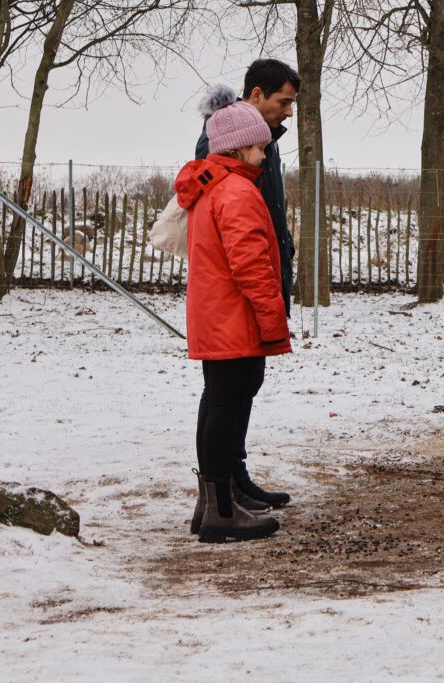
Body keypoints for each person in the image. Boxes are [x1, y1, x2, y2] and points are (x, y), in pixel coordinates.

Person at [176, 100, 291, 542]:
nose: (265, 155)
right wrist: (272, 320)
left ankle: (212, 505)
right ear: (241, 148)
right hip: (235, 317)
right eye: (260, 147)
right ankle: (222, 511)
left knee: (220, 402)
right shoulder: (238, 192)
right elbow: (253, 266)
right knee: (228, 404)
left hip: (216, 314)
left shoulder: (212, 187)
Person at [194, 60, 299, 512]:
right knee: (225, 393)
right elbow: (237, 237)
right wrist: (267, 301)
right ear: (256, 95)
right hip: (238, 296)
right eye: (284, 101)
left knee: (239, 388)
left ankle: (231, 481)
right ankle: (221, 491)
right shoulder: (229, 151)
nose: (289, 112)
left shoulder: (255, 146)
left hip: (252, 287)